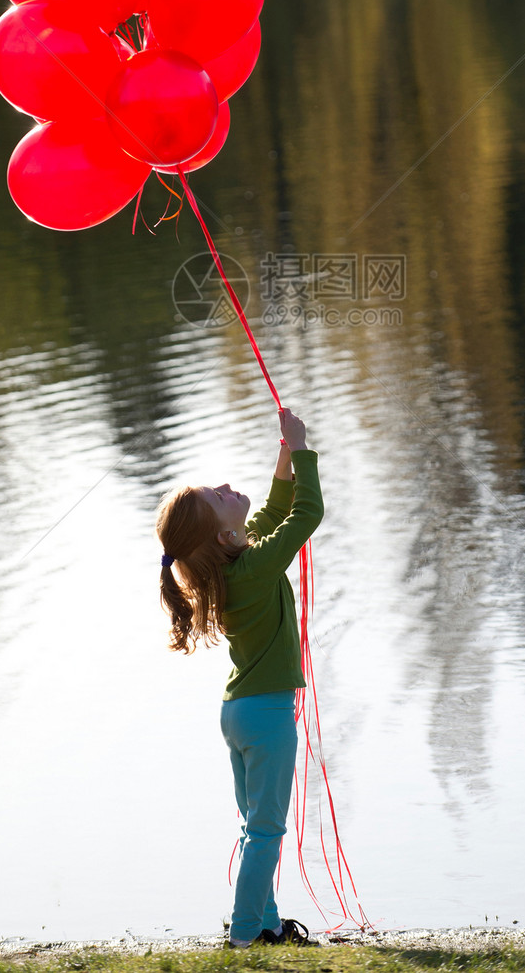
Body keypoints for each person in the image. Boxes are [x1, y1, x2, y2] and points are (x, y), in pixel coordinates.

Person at [156, 406, 323, 948]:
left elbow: (274, 515)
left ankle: (267, 926)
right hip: (267, 714)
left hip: (239, 713)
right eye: (219, 495)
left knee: (257, 831)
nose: (229, 486)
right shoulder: (249, 569)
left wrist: (282, 458)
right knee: (266, 833)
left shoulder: (235, 564)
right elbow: (305, 515)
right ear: (226, 534)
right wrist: (301, 452)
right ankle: (246, 938)